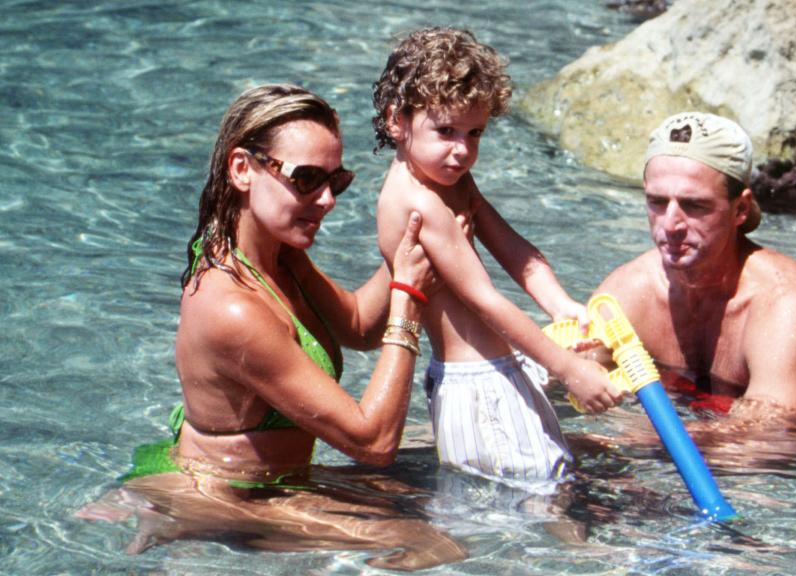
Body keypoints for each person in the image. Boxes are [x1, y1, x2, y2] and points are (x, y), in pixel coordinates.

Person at [77, 84, 466, 571]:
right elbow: (373, 445)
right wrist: (409, 295)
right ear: (242, 169)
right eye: (306, 179)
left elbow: (360, 327)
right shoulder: (232, 309)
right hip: (224, 495)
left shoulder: (278, 257)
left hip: (275, 482)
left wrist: (415, 242)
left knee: (446, 475)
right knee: (435, 543)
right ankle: (169, 516)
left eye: (336, 181)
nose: (326, 200)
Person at [372, 27, 623, 482]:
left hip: (495, 371)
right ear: (397, 121)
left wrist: (561, 304)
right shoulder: (417, 201)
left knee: (548, 490)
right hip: (477, 389)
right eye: (445, 130)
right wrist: (569, 371)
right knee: (535, 501)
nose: (462, 150)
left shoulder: (447, 179)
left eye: (475, 133)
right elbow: (484, 301)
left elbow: (512, 248)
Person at [594, 112, 796, 415]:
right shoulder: (627, 291)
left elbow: (771, 442)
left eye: (694, 205)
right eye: (657, 202)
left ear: (740, 209)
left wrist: (637, 438)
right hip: (683, 434)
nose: (671, 224)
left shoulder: (784, 304)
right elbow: (569, 382)